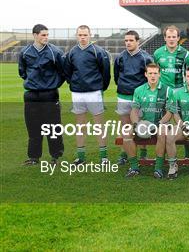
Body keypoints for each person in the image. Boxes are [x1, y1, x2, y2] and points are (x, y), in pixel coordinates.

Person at [63, 25, 111, 165]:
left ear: (90, 35)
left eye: (85, 35)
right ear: (76, 35)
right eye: (80, 35)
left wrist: (100, 88)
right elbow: (67, 71)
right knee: (80, 126)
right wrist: (74, 84)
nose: (82, 37)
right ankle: (81, 157)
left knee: (98, 126)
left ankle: (103, 157)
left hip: (94, 93)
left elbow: (105, 72)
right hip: (77, 93)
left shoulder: (98, 51)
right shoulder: (72, 52)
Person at [18, 24, 65, 165]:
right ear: (35, 35)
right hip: (31, 95)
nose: (46, 37)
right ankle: (34, 157)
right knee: (33, 128)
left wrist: (52, 84)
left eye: (47, 35)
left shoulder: (55, 52)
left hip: (49, 95)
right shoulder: (25, 52)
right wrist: (33, 83)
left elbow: (62, 72)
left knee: (53, 128)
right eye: (43, 35)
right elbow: (22, 71)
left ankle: (55, 157)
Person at [125, 63, 173, 178]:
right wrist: (136, 124)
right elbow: (134, 110)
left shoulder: (167, 90)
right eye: (150, 73)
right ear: (145, 74)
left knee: (161, 132)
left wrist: (159, 123)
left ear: (159, 74)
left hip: (162, 123)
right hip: (144, 123)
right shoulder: (139, 90)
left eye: (155, 73)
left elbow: (169, 112)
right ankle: (134, 167)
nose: (153, 76)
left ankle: (158, 168)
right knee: (126, 132)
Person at [113, 30, 153, 165]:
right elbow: (116, 76)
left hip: (140, 98)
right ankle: (124, 154)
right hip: (123, 96)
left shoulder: (146, 58)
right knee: (125, 127)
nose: (128, 43)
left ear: (138, 41)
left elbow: (149, 78)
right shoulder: (120, 57)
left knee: (141, 126)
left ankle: (143, 153)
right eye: (126, 40)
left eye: (131, 40)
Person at [153, 25, 189, 160]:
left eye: (174, 37)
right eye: (168, 37)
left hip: (180, 91)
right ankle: (162, 155)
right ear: (164, 38)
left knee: (185, 123)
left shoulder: (185, 54)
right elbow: (155, 72)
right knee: (163, 123)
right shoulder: (158, 53)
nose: (171, 39)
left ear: (178, 38)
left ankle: (187, 154)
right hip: (164, 92)